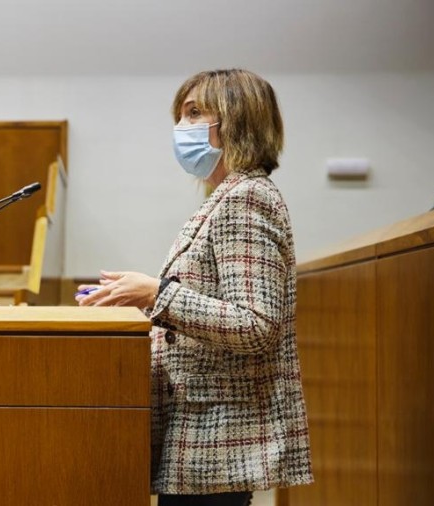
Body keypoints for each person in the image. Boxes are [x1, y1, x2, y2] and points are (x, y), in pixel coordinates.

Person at [77, 69, 312, 505]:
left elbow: (256, 324)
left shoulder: (246, 198)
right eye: (181, 115)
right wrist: (136, 297)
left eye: (194, 113)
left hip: (218, 433)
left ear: (236, 120)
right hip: (200, 429)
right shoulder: (223, 198)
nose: (181, 128)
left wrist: (154, 294)